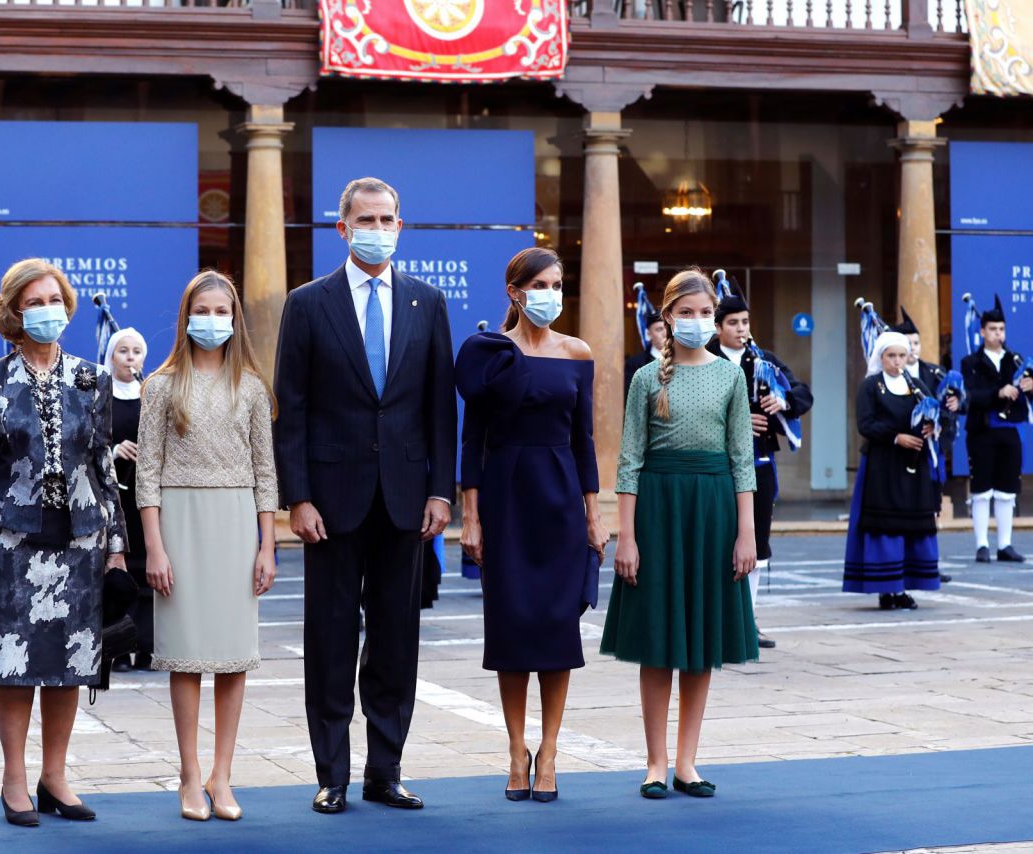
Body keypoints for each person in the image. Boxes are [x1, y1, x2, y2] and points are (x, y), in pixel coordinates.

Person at [274, 177, 456, 815]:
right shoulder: (308, 304)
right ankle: (333, 774)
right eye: (365, 218)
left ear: (400, 227)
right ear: (341, 228)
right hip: (330, 501)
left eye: (387, 218)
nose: (377, 227)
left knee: (396, 638)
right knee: (328, 639)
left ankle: (386, 769)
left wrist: (441, 490)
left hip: (406, 500)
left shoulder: (427, 302)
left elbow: (439, 407)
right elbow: (289, 410)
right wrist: (296, 496)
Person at [0, 258, 127, 828]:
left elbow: (104, 466)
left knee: (72, 662)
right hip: (12, 541)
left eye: (55, 300)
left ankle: (55, 777)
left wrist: (118, 544)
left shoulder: (91, 379)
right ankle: (12, 779)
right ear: (13, 311)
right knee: (17, 663)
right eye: (35, 302)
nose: (48, 311)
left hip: (81, 537)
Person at [456, 247, 608, 803]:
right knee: (513, 628)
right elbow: (472, 439)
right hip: (506, 498)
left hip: (562, 499)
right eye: (541, 283)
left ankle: (550, 751)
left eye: (558, 282)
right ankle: (516, 749)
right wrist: (470, 517)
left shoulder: (577, 352)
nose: (552, 293)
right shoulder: (490, 353)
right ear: (515, 292)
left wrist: (595, 515)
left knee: (556, 631)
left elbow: (584, 440)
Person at [601, 268, 758, 800]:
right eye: (685, 313)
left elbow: (742, 460)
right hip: (659, 510)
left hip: (712, 510)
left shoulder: (731, 376)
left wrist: (746, 534)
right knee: (658, 641)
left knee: (701, 641)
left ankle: (688, 762)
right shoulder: (647, 378)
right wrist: (626, 536)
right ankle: (655, 761)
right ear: (666, 318)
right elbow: (629, 461)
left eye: (704, 314)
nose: (696, 322)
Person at [135, 270, 278, 822]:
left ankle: (223, 776)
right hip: (180, 523)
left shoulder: (252, 387)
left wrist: (267, 545)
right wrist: (155, 547)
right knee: (187, 657)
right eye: (203, 311)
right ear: (185, 316)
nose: (212, 321)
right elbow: (147, 471)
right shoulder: (160, 386)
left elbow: (266, 473)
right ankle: (189, 774)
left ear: (235, 318)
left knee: (233, 658)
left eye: (222, 312)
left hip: (238, 521)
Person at [707, 277, 812, 650]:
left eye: (745, 322)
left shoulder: (763, 359)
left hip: (760, 462)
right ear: (718, 328)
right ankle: (716, 621)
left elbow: (803, 392)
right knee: (718, 542)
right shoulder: (705, 358)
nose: (741, 329)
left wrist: (783, 403)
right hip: (716, 466)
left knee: (757, 542)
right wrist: (737, 420)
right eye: (733, 323)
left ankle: (746, 621)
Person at [842, 331, 941, 609]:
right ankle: (886, 589)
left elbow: (935, 412)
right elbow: (865, 423)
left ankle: (905, 588)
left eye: (901, 356)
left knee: (911, 526)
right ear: (881, 357)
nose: (897, 361)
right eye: (891, 356)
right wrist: (896, 437)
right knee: (885, 527)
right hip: (882, 465)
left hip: (913, 465)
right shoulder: (871, 386)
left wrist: (934, 426)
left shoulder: (917, 385)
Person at [892, 307, 960, 583]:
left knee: (930, 508)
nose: (913, 349)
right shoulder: (889, 378)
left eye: (917, 343)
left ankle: (928, 562)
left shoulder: (935, 373)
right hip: (902, 453)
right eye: (907, 344)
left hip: (929, 453)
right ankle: (901, 562)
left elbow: (952, 408)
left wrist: (942, 422)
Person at [961, 296, 1029, 564]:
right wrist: (998, 392)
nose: (998, 334)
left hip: (1009, 431)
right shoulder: (971, 363)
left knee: (1007, 490)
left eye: (1001, 329)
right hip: (982, 431)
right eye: (992, 329)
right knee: (982, 489)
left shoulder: (1015, 359)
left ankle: (1005, 544)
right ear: (982, 331)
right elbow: (970, 396)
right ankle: (982, 544)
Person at [104, 327, 153, 673]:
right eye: (123, 351)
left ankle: (147, 646)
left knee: (149, 570)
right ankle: (119, 648)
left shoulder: (152, 395)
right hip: (113, 497)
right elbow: (84, 448)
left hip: (146, 498)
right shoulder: (99, 396)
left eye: (136, 351)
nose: (130, 357)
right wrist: (114, 452)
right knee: (118, 571)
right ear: (111, 356)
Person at [624, 309, 666, 396]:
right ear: (648, 334)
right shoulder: (634, 364)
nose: (665, 333)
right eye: (659, 329)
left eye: (668, 328)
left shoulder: (684, 359)